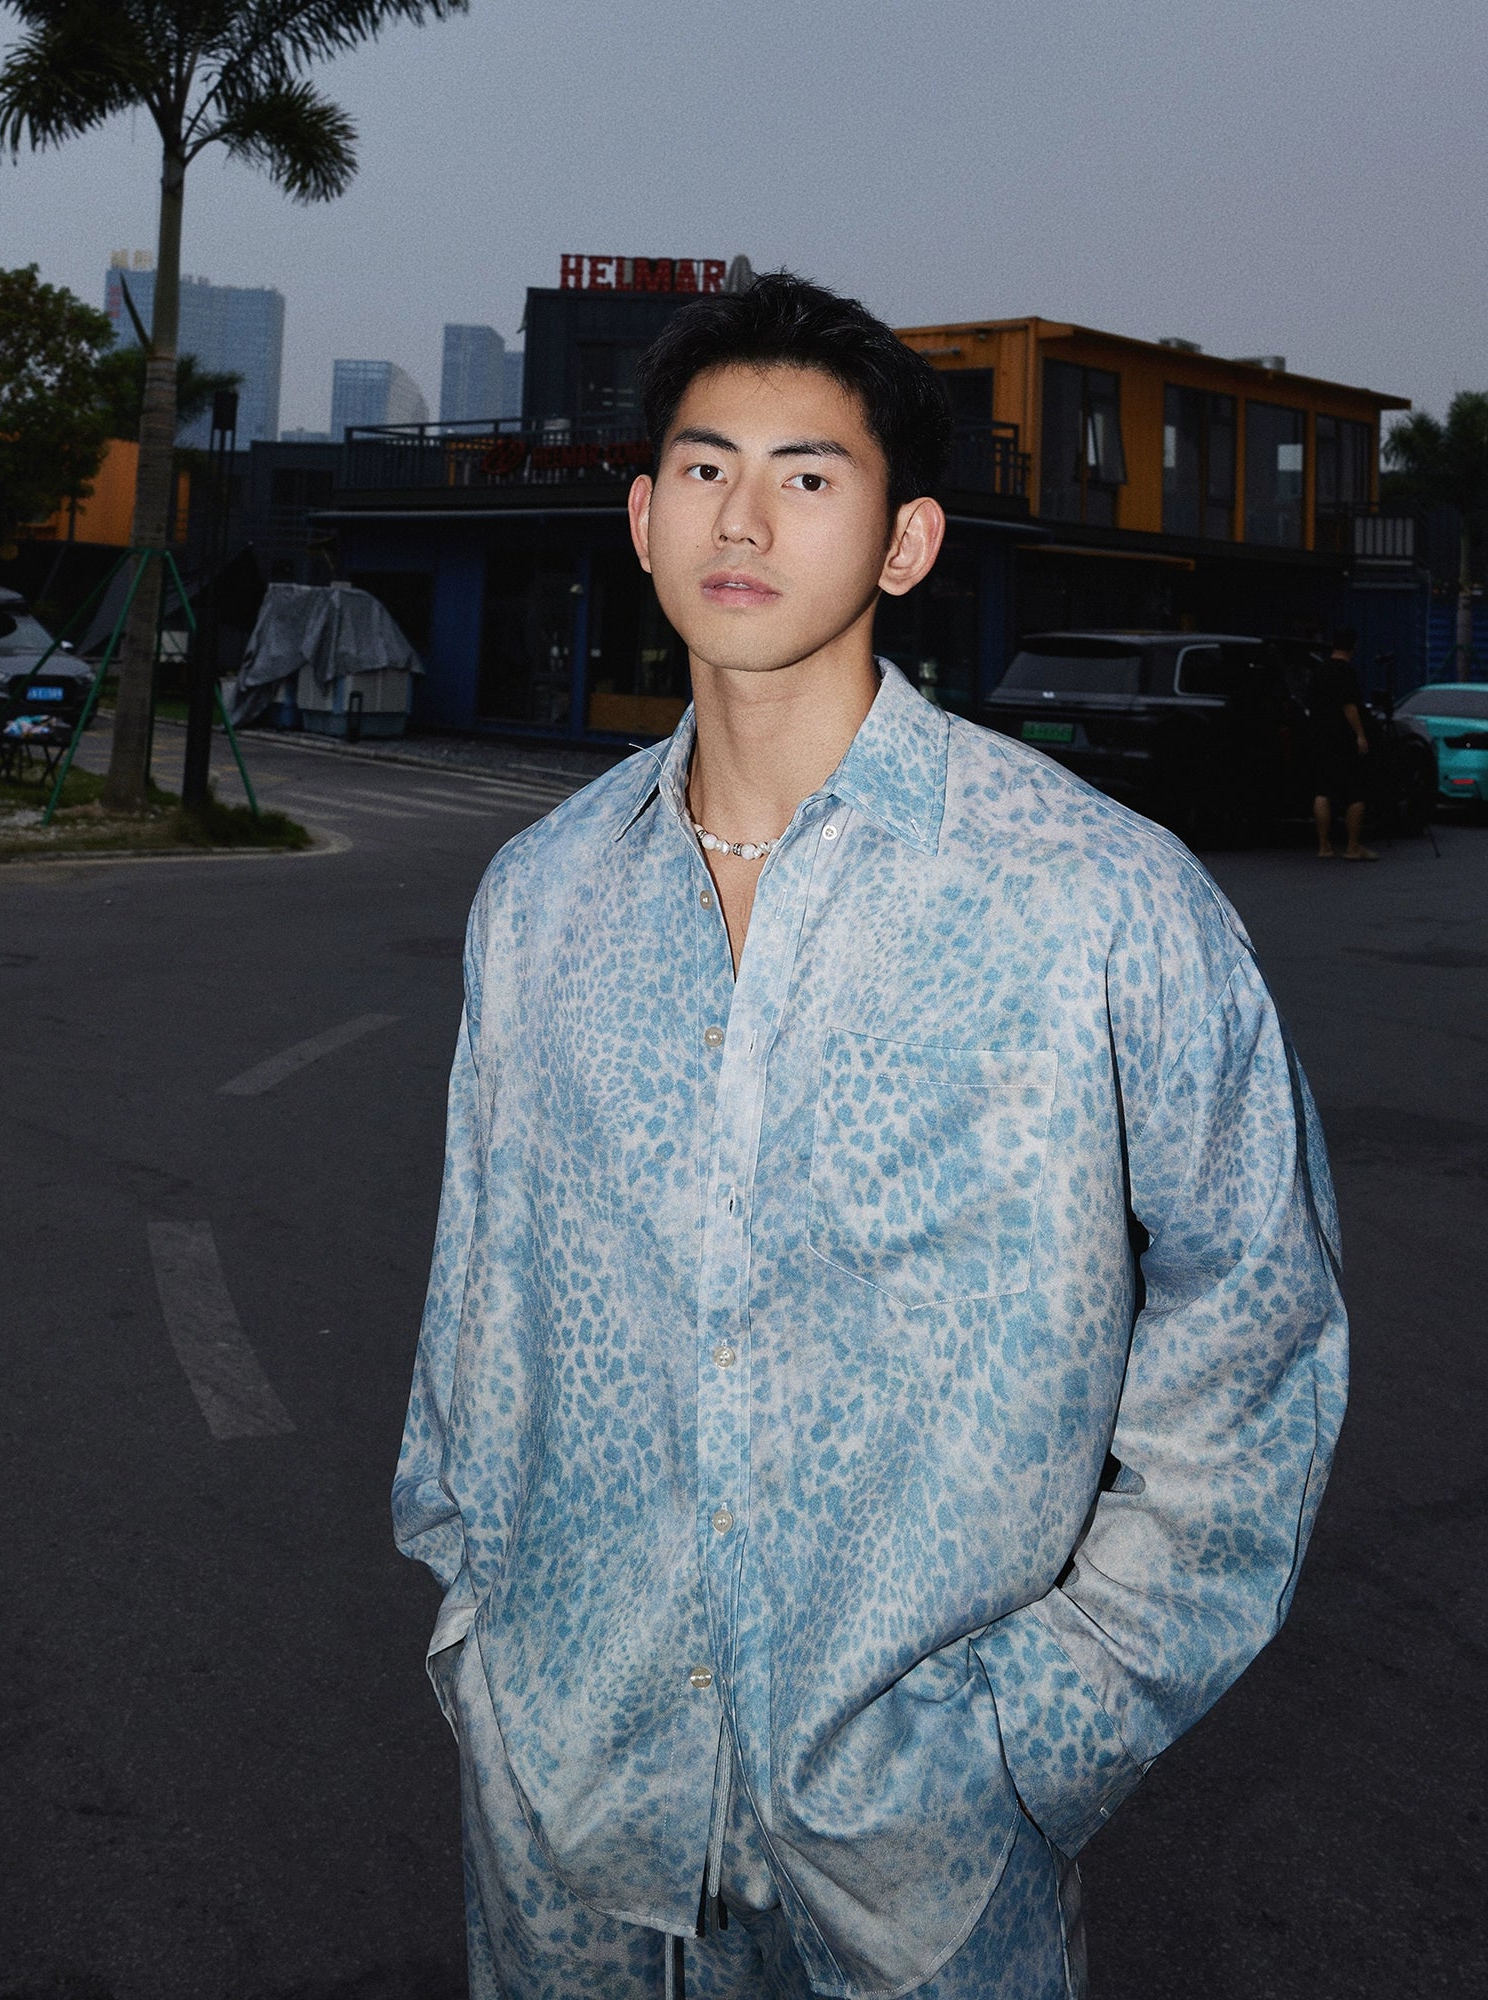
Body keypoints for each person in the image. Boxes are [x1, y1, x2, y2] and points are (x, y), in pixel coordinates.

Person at [393, 275, 1348, 2000]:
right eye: (705, 469)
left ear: (906, 543)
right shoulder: (541, 897)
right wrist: (481, 1625)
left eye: (809, 476)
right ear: (643, 518)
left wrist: (1036, 1733)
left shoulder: (1094, 897)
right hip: (567, 1818)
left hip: (922, 1868)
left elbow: (1256, 1335)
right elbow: (480, 1292)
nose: (744, 519)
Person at [1308, 628, 1376, 859]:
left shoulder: (1319, 670)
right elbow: (1349, 706)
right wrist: (1360, 734)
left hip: (1321, 737)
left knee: (1322, 791)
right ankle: (1353, 847)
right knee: (1355, 793)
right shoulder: (1347, 673)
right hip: (1343, 738)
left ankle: (1324, 845)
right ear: (1353, 647)